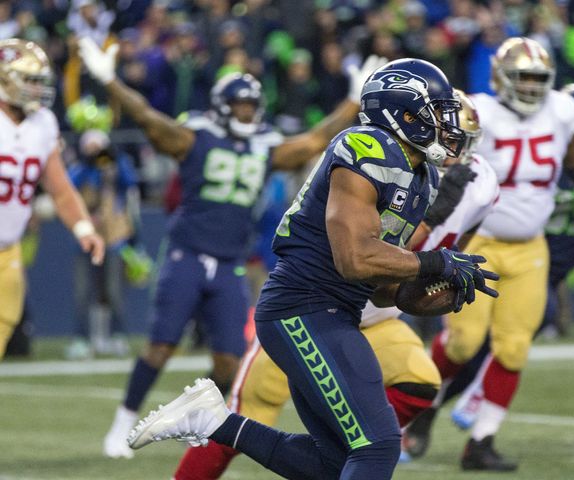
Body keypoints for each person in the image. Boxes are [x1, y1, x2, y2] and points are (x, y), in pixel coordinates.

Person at [126, 58, 499, 480]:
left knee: (332, 463)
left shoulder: (423, 176)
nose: (446, 125)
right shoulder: (365, 147)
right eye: (436, 112)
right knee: (377, 445)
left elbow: (382, 289)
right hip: (300, 308)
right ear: (405, 112)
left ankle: (216, 423)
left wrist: (434, 293)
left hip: (339, 312)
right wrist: (434, 260)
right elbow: (354, 258)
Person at [76, 37, 387, 459]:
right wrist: (110, 81)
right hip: (187, 253)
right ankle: (121, 423)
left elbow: (315, 141)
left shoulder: (263, 144)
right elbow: (148, 118)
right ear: (223, 106)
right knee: (161, 346)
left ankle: (189, 415)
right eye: (240, 105)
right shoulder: (194, 137)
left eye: (251, 106)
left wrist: (353, 100)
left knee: (228, 361)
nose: (247, 113)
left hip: (229, 263)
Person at [426, 37, 574, 471]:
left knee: (513, 350)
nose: (529, 87)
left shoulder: (562, 113)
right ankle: (415, 410)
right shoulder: (479, 112)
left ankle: (482, 440)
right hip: (479, 241)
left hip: (531, 246)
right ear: (500, 76)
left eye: (537, 79)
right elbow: (442, 170)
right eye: (522, 77)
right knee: (463, 343)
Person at [0, 38, 104, 359]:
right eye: (30, 80)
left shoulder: (43, 122)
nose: (37, 89)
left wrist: (84, 229)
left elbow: (59, 188)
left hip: (8, 254)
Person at [66, 129, 147, 359]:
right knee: (83, 292)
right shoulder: (81, 168)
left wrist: (112, 164)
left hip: (113, 239)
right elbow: (70, 186)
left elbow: (129, 183)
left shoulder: (117, 163)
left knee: (114, 290)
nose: (95, 152)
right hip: (86, 239)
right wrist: (88, 166)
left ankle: (117, 336)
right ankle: (81, 339)